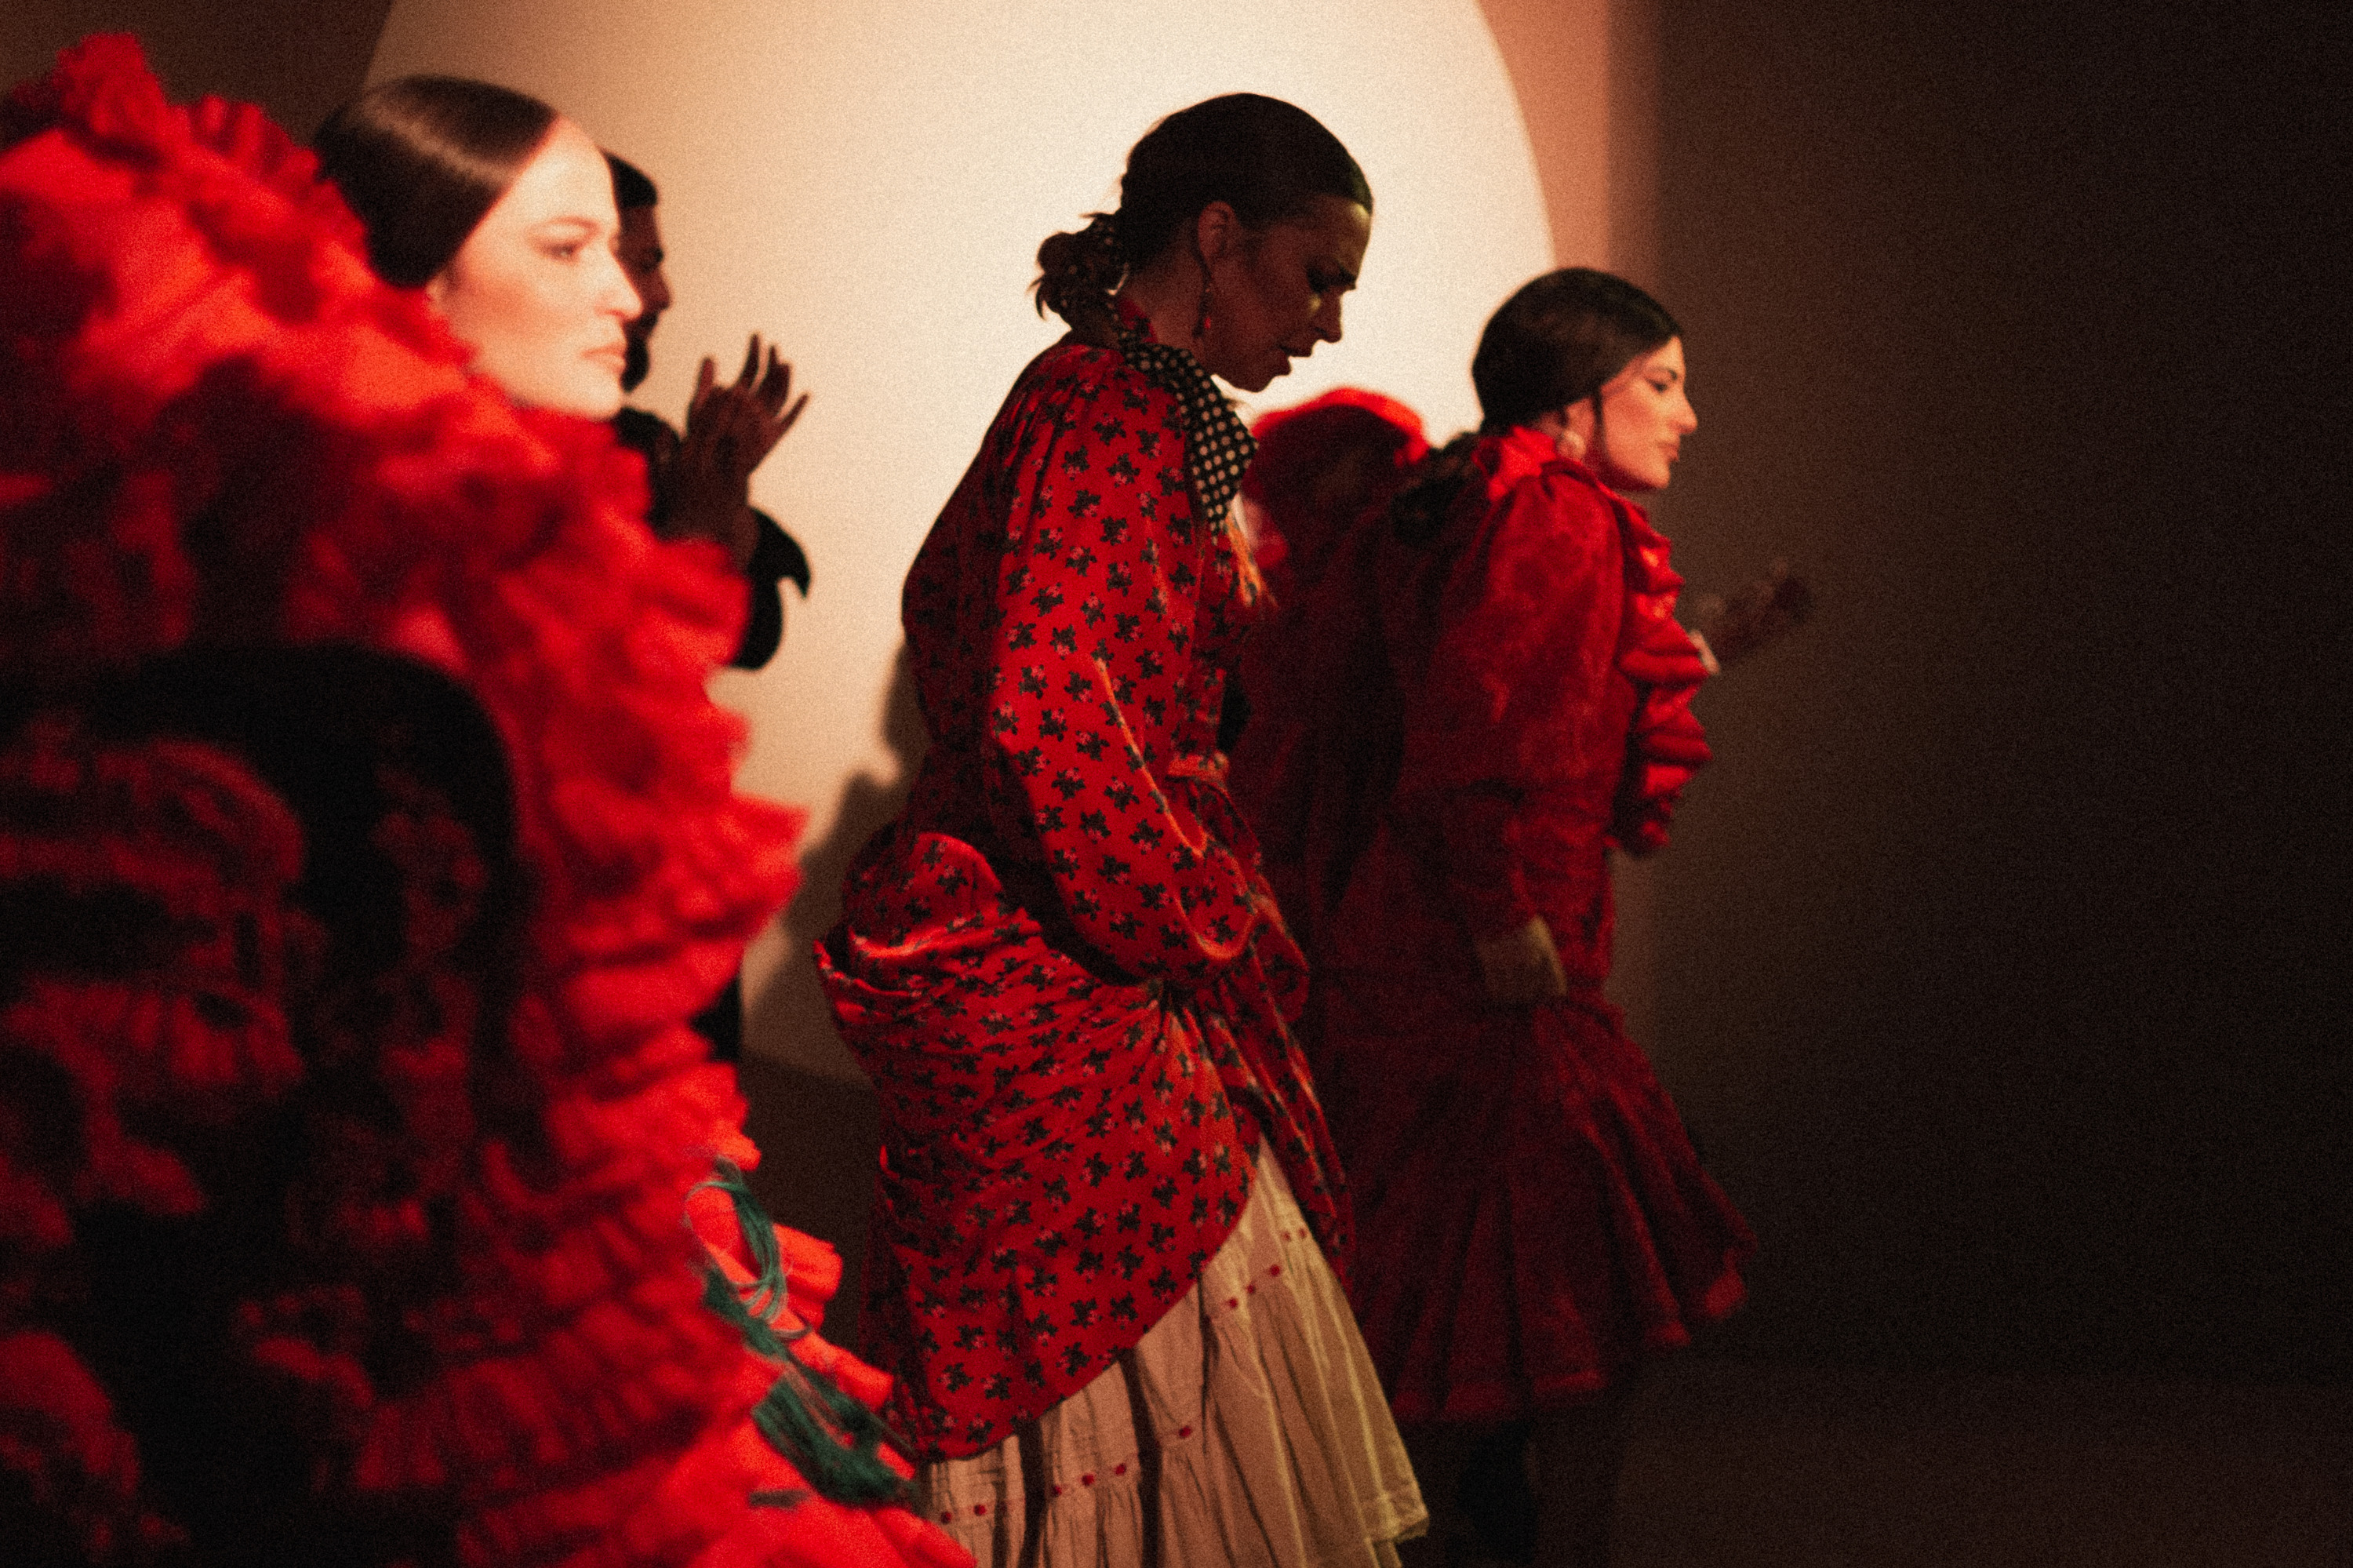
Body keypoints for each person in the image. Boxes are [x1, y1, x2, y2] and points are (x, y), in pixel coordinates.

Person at [0, 39, 965, 1566]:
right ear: (418, 276)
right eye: (571, 248)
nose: (632, 297)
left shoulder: (533, 502)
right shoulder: (334, 547)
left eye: (630, 257)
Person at [816, 93, 1424, 1567]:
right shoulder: (1103, 406)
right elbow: (1046, 713)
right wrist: (1200, 915)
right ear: (1217, 239)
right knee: (1106, 1359)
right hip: (1064, 968)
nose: (1331, 324)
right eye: (1316, 275)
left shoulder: (1124, 401)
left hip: (1085, 953)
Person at [1299, 270, 1762, 1567]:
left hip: (1438, 955)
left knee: (1472, 1307)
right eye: (1659, 385)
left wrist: (1717, 636)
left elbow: (1542, 690)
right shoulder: (1551, 513)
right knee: (1571, 1300)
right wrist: (1504, 914)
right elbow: (1472, 715)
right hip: (1494, 977)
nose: (1687, 415)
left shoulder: (1454, 499)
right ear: (1573, 404)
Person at [606, 151, 811, 674]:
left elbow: (751, 638)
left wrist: (721, 488)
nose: (663, 295)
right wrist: (696, 520)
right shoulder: (462, 436)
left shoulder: (639, 442)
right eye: (645, 263)